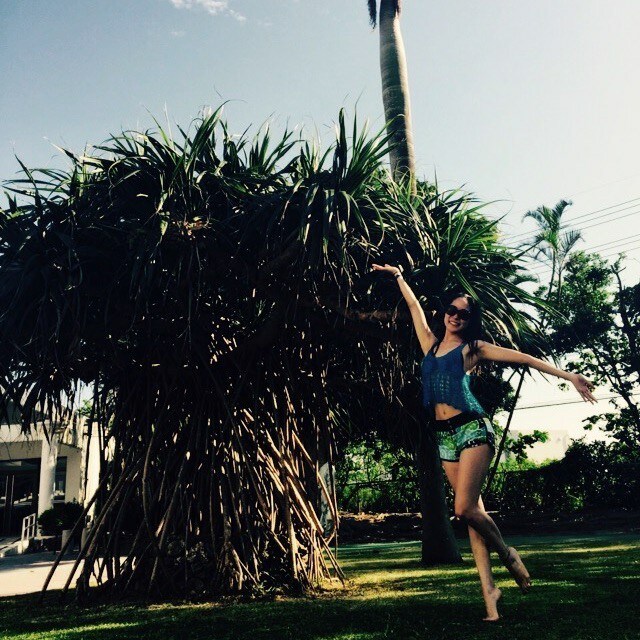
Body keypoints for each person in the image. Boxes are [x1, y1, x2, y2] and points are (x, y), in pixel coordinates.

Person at [371, 262, 596, 622]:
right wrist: (399, 275)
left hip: (472, 428)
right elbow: (413, 307)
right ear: (444, 313)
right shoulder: (429, 345)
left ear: (469, 320)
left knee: (463, 509)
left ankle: (508, 555)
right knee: (474, 516)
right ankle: (490, 598)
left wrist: (568, 375)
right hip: (444, 435)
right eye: (452, 310)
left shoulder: (473, 348)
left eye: (463, 314)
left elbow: (523, 358)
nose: (456, 316)